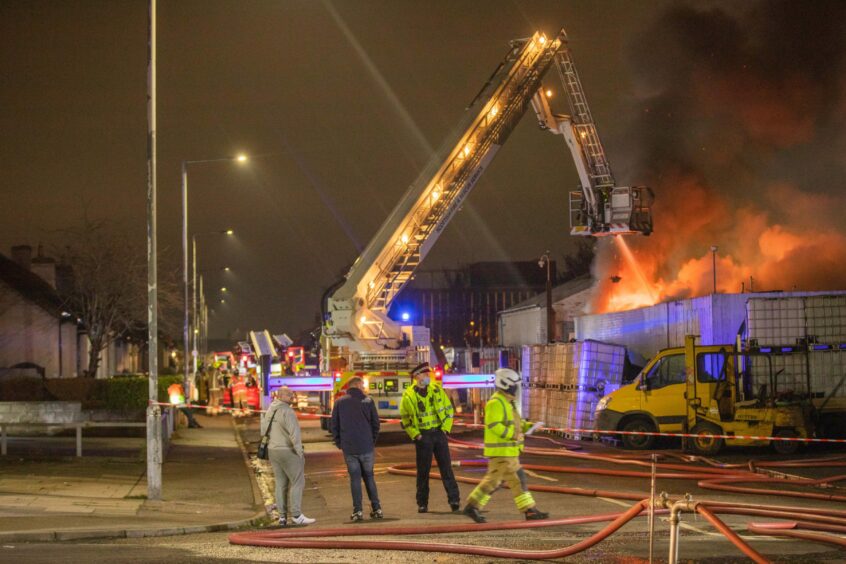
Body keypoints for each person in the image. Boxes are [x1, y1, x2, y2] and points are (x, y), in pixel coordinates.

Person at [462, 368, 549, 523]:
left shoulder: (509, 403)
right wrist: (513, 434)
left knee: (505, 480)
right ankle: (472, 506)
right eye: (514, 384)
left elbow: (517, 424)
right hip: (501, 452)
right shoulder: (496, 403)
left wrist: (529, 426)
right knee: (501, 480)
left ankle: (529, 510)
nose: (516, 387)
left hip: (509, 451)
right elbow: (494, 425)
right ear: (505, 384)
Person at [399, 362, 461, 513]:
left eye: (428, 374)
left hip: (439, 434)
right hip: (423, 437)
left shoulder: (436, 390)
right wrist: (417, 435)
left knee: (446, 469)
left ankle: (454, 500)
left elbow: (448, 410)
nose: (428, 376)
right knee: (423, 472)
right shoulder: (409, 396)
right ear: (417, 376)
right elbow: (406, 420)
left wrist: (445, 430)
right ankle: (422, 503)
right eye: (425, 374)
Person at [261, 387, 315, 527]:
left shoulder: (271, 409)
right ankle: (297, 515)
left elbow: (263, 430)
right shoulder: (288, 411)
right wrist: (300, 452)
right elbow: (294, 434)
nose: (292, 397)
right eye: (289, 395)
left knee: (280, 483)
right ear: (281, 396)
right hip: (287, 450)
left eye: (292, 395)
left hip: (273, 450)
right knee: (298, 481)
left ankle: (282, 517)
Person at [330, 377, 383, 522]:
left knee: (355, 479)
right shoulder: (368, 401)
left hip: (350, 447)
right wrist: (371, 441)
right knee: (369, 477)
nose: (364, 387)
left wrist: (340, 443)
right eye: (362, 385)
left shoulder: (340, 402)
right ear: (358, 385)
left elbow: (333, 425)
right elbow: (376, 424)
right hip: (366, 446)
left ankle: (358, 511)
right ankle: (377, 508)